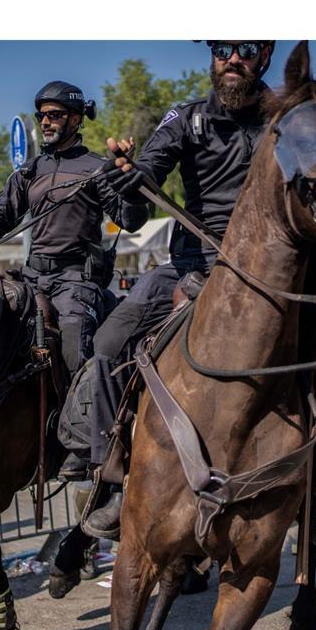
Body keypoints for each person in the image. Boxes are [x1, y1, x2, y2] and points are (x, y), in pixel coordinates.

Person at [80, 40, 277, 545]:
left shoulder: (285, 120)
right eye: (221, 48)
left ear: (266, 56)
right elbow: (148, 172)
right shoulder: (186, 119)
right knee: (105, 345)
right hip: (190, 263)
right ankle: (111, 476)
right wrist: (124, 175)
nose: (232, 59)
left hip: (264, 270)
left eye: (246, 48)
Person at [0, 80, 149, 375]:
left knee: (72, 356)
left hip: (76, 282)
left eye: (54, 115)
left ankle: (80, 420)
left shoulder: (97, 168)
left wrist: (128, 184)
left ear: (76, 118)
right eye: (41, 116)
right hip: (31, 278)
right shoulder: (29, 171)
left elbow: (130, 220)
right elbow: (0, 212)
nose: (45, 122)